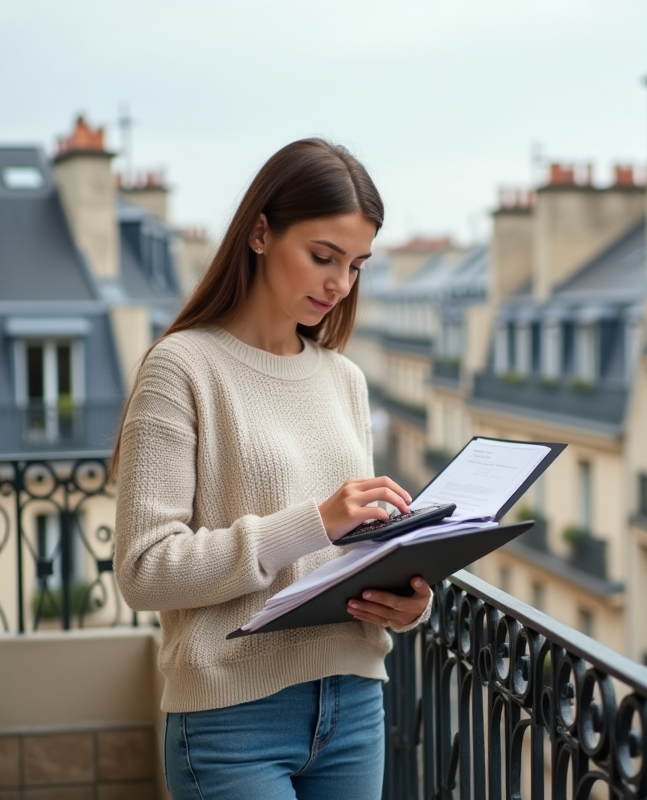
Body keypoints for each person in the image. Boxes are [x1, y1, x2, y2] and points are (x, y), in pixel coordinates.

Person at [112, 138, 431, 799]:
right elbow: (144, 569)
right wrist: (313, 522)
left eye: (356, 265)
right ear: (260, 232)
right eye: (323, 256)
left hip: (355, 703)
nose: (340, 283)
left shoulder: (345, 379)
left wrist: (406, 601)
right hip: (231, 719)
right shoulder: (182, 367)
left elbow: (347, 547)